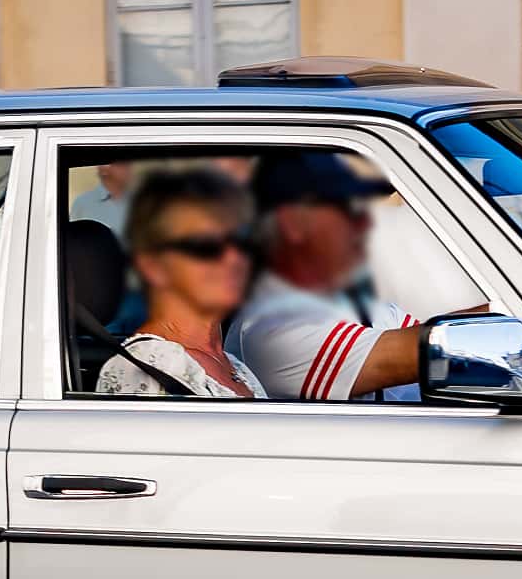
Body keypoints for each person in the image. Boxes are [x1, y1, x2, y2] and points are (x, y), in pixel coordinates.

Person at [234, 150, 466, 401]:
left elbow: (444, 333)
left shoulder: (353, 299)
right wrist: (502, 314)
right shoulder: (276, 321)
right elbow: (434, 351)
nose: (366, 222)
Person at [94, 166, 266, 397]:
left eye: (241, 242)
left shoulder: (236, 366)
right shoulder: (142, 369)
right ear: (154, 266)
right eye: (205, 245)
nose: (234, 258)